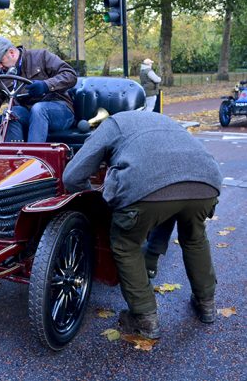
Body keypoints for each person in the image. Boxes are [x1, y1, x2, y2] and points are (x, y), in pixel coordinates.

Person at [62, 111, 222, 339]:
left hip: (147, 188)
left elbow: (72, 176)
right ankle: (207, 304)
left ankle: (144, 318)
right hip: (206, 182)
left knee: (126, 244)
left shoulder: (111, 124)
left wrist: (97, 207)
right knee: (194, 237)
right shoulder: (165, 119)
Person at [0, 36, 77, 142]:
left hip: (60, 110)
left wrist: (46, 85)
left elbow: (70, 75)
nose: (0, 67)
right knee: (11, 113)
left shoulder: (41, 56)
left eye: (1, 61)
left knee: (39, 109)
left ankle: (34, 156)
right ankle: (14, 156)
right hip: (29, 114)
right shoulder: (2, 75)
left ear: (11, 52)